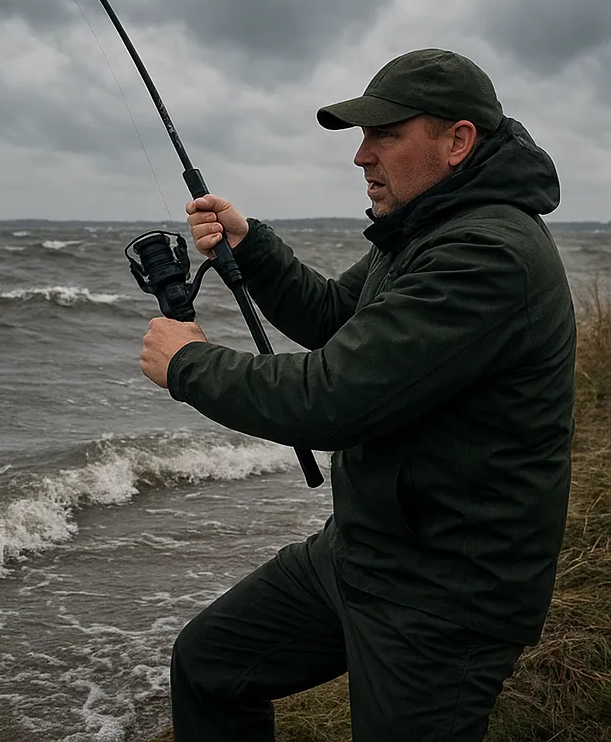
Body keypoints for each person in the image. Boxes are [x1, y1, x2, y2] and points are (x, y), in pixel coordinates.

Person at [138, 49, 576, 741]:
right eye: (362, 137)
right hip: (368, 552)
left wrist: (190, 364)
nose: (362, 156)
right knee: (211, 664)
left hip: (445, 592)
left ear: (458, 141)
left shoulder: (487, 254)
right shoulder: (429, 225)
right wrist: (253, 249)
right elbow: (340, 317)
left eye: (386, 135)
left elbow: (331, 400)